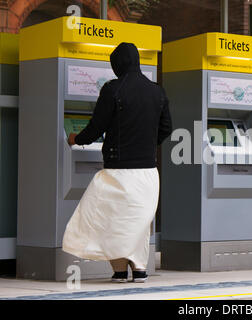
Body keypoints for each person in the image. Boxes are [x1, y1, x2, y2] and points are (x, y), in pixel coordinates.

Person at [62, 42, 172, 283]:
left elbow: (96, 126)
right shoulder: (157, 91)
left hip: (118, 171)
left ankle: (120, 270)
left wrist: (75, 139)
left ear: (117, 64)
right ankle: (139, 268)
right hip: (148, 172)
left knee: (111, 219)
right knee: (138, 222)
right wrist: (146, 145)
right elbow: (166, 129)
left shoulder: (112, 89)